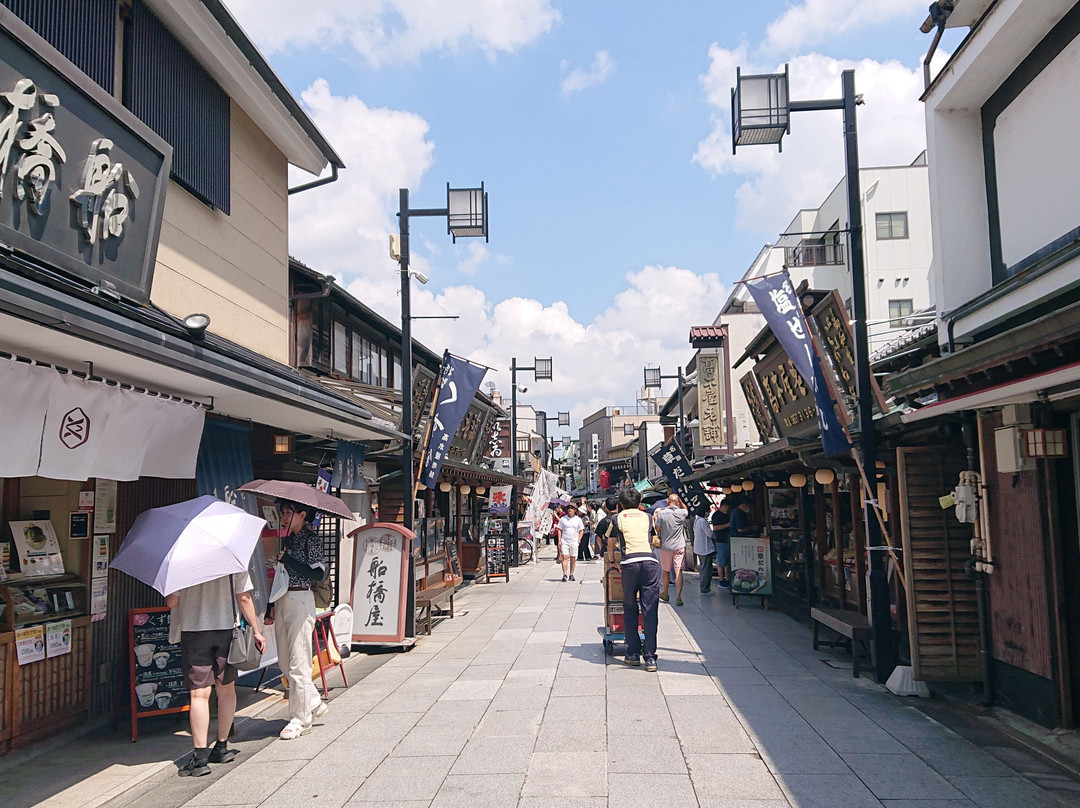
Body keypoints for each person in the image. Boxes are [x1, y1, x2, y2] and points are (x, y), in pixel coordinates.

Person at [166, 571, 266, 776]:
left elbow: (171, 602)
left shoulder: (184, 560)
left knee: (199, 694)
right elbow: (244, 597)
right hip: (227, 631)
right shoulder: (232, 558)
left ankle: (200, 758)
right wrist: (256, 630)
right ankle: (221, 747)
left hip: (194, 632)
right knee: (227, 690)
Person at [269, 499, 329, 739]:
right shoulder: (289, 539)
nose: (283, 517)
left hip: (301, 598)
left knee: (298, 660)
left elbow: (318, 573)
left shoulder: (311, 539)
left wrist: (289, 560)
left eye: (287, 513)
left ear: (302, 514)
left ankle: (300, 718)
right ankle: (313, 701)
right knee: (285, 660)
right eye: (281, 513)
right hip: (283, 598)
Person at [602, 488, 659, 671]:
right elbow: (653, 539)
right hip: (649, 563)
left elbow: (610, 541)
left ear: (621, 504)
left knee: (630, 607)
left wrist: (612, 561)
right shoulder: (648, 517)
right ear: (639, 502)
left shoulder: (616, 518)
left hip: (630, 564)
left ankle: (633, 653)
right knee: (650, 610)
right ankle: (650, 657)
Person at [654, 493, 688, 606]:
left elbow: (657, 530)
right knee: (678, 571)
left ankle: (666, 592)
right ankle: (678, 597)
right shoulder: (682, 512)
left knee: (666, 571)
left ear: (668, 502)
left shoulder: (662, 514)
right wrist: (680, 501)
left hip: (666, 546)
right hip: (679, 545)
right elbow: (685, 509)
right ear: (677, 502)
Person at [693, 503, 716, 595]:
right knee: (707, 569)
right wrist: (716, 535)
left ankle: (704, 587)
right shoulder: (702, 521)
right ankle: (705, 589)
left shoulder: (697, 520)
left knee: (703, 568)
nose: (708, 512)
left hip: (699, 548)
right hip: (705, 548)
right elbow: (710, 534)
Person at [557, 503, 584, 581]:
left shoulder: (578, 519)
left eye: (572, 508)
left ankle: (571, 574)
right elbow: (560, 530)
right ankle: (565, 574)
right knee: (564, 557)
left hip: (574, 541)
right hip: (565, 541)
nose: (570, 510)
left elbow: (581, 530)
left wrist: (579, 539)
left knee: (573, 558)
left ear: (575, 510)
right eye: (569, 508)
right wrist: (559, 541)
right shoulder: (563, 519)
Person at [711, 499, 733, 589]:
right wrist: (728, 525)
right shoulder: (716, 516)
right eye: (727, 507)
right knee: (721, 562)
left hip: (727, 539)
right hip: (720, 541)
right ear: (723, 506)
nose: (727, 510)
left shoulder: (726, 515)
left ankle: (727, 579)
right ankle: (721, 580)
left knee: (727, 562)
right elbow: (715, 528)